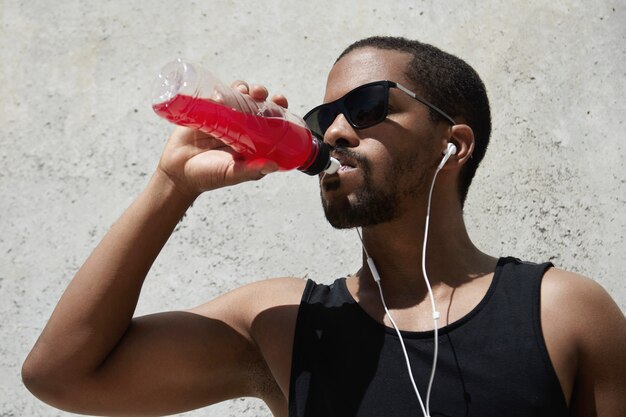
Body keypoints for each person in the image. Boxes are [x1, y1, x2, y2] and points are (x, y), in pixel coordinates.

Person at [22, 36, 626, 417]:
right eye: (322, 118)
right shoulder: (285, 326)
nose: (334, 132)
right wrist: (173, 186)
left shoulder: (563, 314)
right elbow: (63, 376)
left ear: (454, 144)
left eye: (366, 107)